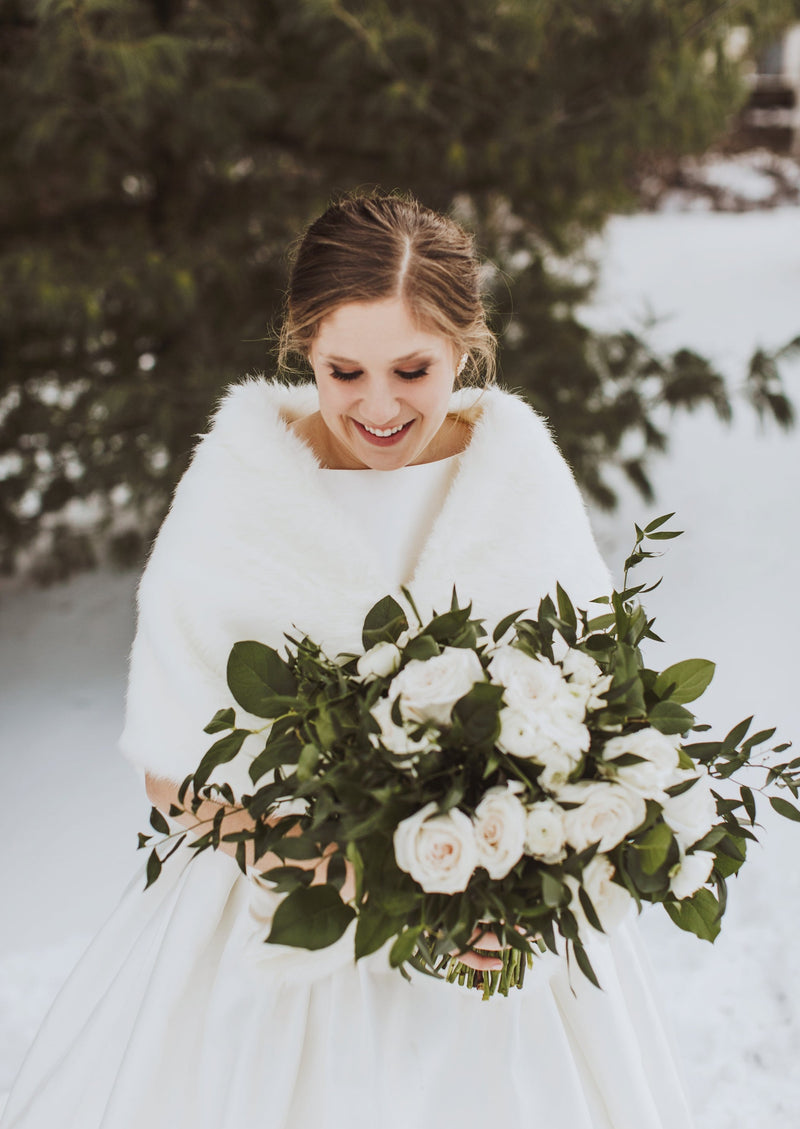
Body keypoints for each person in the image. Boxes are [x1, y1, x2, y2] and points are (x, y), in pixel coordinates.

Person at [0, 191, 694, 1129]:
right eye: (343, 369)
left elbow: (587, 723)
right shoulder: (241, 485)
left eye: (413, 368)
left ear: (467, 347)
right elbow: (170, 768)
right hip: (276, 922)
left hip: (492, 951)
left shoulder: (516, 479)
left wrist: (521, 882)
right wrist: (341, 870)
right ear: (301, 349)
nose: (377, 404)